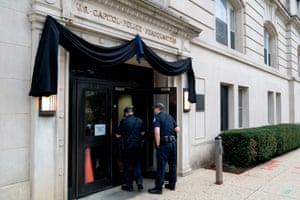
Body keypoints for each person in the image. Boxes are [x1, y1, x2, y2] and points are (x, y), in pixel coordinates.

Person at [148, 102, 180, 194]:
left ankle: (158, 188)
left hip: (164, 144)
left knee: (161, 166)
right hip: (173, 144)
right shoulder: (170, 117)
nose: (154, 110)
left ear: (158, 109)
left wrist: (158, 144)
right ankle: (172, 185)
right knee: (173, 165)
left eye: (155, 108)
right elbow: (178, 129)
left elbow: (157, 132)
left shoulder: (157, 118)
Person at [116, 106, 145, 192]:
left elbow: (117, 135)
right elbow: (142, 133)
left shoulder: (123, 122)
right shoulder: (140, 121)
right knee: (137, 164)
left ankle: (129, 186)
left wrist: (124, 135)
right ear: (132, 112)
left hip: (127, 146)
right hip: (137, 145)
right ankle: (139, 182)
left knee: (127, 166)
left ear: (126, 113)